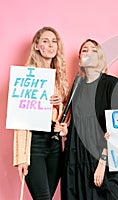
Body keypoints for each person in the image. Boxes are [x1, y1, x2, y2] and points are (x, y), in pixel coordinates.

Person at [60, 39, 118, 200]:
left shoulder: (112, 84)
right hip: (76, 158)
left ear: (100, 57)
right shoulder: (77, 86)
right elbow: (77, 123)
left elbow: (116, 128)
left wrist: (102, 163)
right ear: (80, 59)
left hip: (100, 154)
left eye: (94, 50)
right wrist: (66, 130)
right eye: (85, 50)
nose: (89, 52)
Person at [13, 26, 69, 200]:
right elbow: (19, 119)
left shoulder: (59, 77)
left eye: (54, 42)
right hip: (34, 142)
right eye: (45, 41)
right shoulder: (26, 75)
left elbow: (63, 118)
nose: (50, 45)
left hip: (53, 142)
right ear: (37, 46)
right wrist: (21, 157)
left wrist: (59, 107)